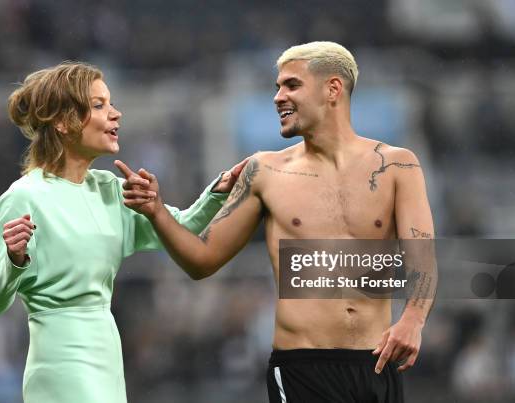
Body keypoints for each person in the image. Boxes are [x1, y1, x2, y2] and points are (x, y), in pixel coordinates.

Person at [121, 42, 436, 402]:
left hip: (378, 365)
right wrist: (157, 211)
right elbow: (201, 260)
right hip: (302, 368)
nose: (278, 97)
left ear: (333, 89)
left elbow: (422, 260)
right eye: (277, 88)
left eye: (291, 85)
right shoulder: (263, 171)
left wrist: (413, 318)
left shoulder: (399, 165)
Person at [0, 61, 245, 403]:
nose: (116, 114)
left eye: (112, 103)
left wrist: (217, 191)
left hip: (107, 353)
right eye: (100, 105)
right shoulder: (23, 197)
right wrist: (14, 261)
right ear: (62, 122)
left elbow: (182, 229)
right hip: (60, 362)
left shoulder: (110, 189)